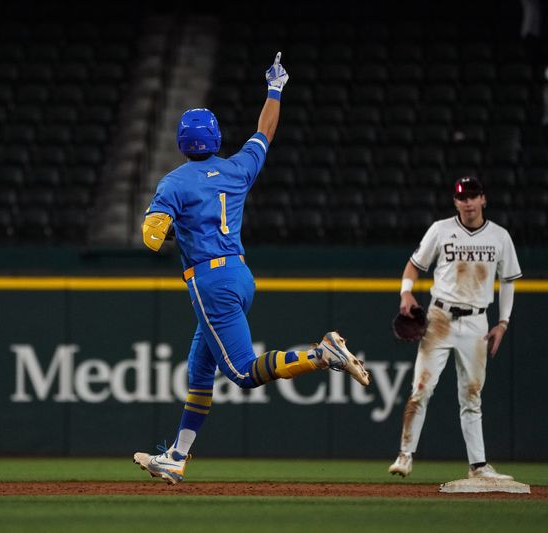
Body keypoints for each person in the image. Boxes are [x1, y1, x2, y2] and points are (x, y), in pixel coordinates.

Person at [133, 53, 370, 485]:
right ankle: (176, 457)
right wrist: (274, 88)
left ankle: (321, 355)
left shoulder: (174, 182)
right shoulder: (237, 168)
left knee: (241, 372)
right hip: (240, 275)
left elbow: (151, 239)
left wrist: (170, 227)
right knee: (200, 369)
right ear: (216, 138)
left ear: (181, 142)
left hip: (208, 279)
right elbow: (265, 131)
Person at [388, 176, 522, 480]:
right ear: (455, 202)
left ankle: (478, 466)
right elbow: (414, 265)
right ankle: (405, 455)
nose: (468, 202)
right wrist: (406, 292)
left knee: (472, 396)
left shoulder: (500, 237)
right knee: (421, 389)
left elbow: (509, 280)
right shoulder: (441, 229)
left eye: (473, 196)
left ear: (483, 199)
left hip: (477, 321)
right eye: (463, 197)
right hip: (440, 319)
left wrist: (503, 322)